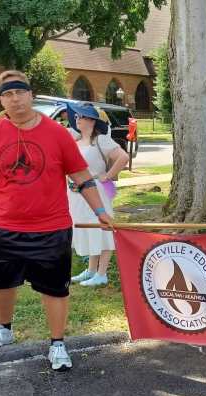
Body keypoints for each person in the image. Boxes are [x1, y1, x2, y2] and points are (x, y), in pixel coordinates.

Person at [0, 70, 113, 372]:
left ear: (30, 94)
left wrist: (101, 213)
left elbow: (82, 177)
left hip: (50, 227)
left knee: (55, 289)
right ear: (1, 100)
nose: (15, 99)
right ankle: (3, 329)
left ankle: (58, 344)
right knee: (2, 283)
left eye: (20, 92)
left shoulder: (57, 133)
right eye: (8, 94)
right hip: (2, 225)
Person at [68, 103, 129, 287]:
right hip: (76, 193)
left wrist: (107, 176)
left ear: (92, 120)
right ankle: (91, 270)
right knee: (88, 229)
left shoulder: (102, 140)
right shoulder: (76, 141)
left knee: (102, 229)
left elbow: (123, 157)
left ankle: (102, 273)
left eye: (82, 116)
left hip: (96, 190)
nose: (77, 119)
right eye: (77, 116)